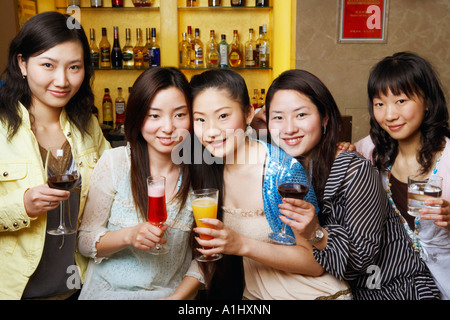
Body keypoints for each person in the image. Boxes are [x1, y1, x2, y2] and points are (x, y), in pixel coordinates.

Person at [263, 69, 441, 299]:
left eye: (300, 115)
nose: (288, 128)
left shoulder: (355, 170)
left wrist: (314, 232)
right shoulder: (284, 168)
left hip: (393, 290)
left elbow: (359, 261)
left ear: (325, 116)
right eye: (278, 117)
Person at [188, 69, 351, 300]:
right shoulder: (207, 170)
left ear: (248, 113)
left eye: (223, 116)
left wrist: (240, 244)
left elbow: (315, 263)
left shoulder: (282, 171)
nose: (212, 131)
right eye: (200, 119)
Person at [0, 11, 110, 300]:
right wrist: (22, 204)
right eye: (47, 65)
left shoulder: (88, 126)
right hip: (13, 290)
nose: (62, 80)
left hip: (79, 287)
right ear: (22, 63)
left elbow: (117, 186)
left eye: (74, 67)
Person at [77, 67, 204, 299]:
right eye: (154, 115)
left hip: (172, 294)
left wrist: (176, 298)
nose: (167, 127)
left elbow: (205, 256)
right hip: (109, 293)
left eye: (179, 115)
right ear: (137, 116)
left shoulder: (200, 173)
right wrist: (129, 236)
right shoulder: (115, 163)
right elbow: (85, 242)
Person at [354, 52, 450, 299]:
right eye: (379, 103)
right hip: (399, 282)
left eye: (401, 101)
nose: (389, 115)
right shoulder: (371, 150)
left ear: (427, 101)